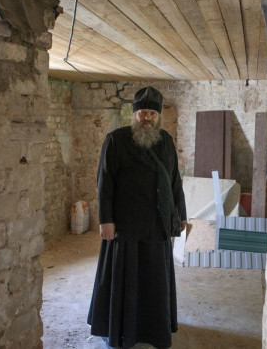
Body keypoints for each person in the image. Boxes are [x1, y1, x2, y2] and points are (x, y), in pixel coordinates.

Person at [87, 86, 187, 349]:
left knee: (155, 280)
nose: (147, 118)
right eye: (143, 113)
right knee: (126, 280)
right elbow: (104, 183)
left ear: (158, 116)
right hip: (126, 224)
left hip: (158, 223)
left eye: (152, 114)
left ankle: (154, 331)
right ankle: (123, 332)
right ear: (134, 114)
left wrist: (180, 214)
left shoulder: (165, 140)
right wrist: (105, 220)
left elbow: (175, 181)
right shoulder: (116, 140)